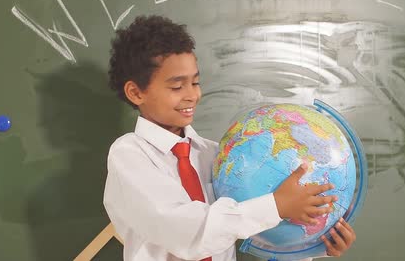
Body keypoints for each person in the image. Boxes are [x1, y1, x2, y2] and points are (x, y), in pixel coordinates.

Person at [103, 15, 356, 261]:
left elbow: (257, 231)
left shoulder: (221, 157)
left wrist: (314, 244)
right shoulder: (129, 155)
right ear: (136, 92)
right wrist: (276, 206)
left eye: (196, 82)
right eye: (177, 86)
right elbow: (187, 232)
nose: (192, 95)